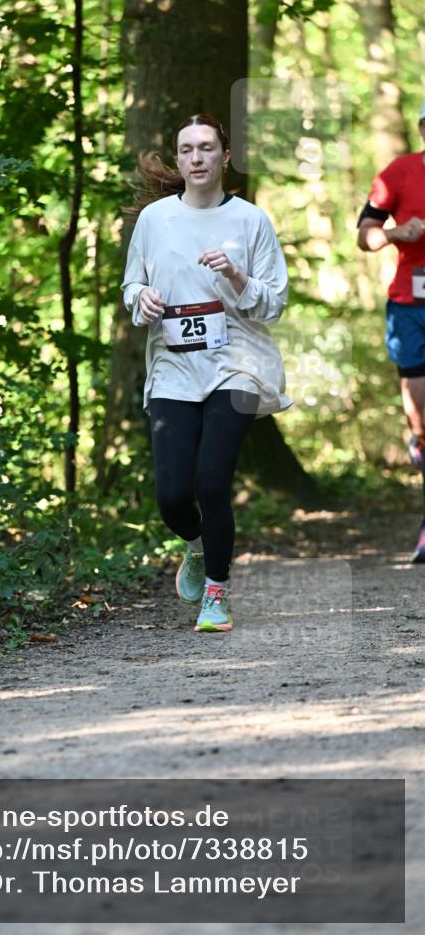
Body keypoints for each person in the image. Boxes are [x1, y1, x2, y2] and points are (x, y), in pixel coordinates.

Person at [121, 113, 291, 632]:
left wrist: (237, 275)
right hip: (173, 365)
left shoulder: (250, 220)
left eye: (207, 148)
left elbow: (275, 302)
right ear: (178, 159)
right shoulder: (154, 220)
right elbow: (132, 288)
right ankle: (198, 547)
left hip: (237, 362)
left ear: (225, 156)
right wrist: (143, 299)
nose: (196, 158)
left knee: (212, 480)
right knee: (173, 496)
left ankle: (216, 595)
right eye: (187, 149)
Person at [357, 100, 425, 564]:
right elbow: (364, 234)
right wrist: (398, 234)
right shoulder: (398, 173)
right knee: (422, 421)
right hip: (411, 304)